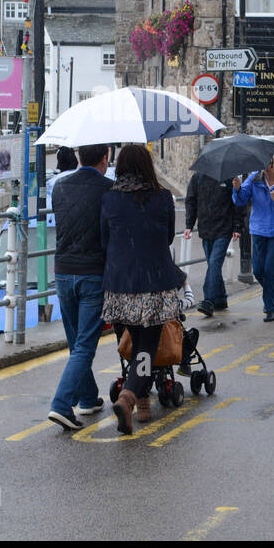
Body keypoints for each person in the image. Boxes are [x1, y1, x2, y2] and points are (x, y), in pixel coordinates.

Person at [100, 144, 188, 435]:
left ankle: (142, 401)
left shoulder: (110, 200)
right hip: (154, 283)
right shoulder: (163, 198)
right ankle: (129, 398)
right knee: (145, 351)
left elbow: (104, 240)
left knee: (133, 346)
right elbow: (168, 238)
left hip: (120, 284)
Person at [47, 143, 113, 431]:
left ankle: (87, 397)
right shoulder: (109, 189)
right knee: (85, 344)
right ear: (104, 158)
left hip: (62, 271)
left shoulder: (59, 187)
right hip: (92, 274)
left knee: (77, 343)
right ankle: (62, 404)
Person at [232, 150, 274, 322]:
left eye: (270, 164)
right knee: (258, 270)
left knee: (270, 271)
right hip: (258, 230)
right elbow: (240, 200)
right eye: (264, 164)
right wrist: (237, 188)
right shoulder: (255, 179)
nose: (267, 168)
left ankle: (271, 308)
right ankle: (271, 294)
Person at [183, 169, 239, 317]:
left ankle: (208, 300)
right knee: (213, 266)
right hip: (206, 229)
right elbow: (191, 200)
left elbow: (237, 204)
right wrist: (189, 224)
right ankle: (221, 299)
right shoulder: (198, 178)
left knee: (214, 263)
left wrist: (237, 227)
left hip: (224, 229)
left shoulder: (229, 178)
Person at [44, 146, 79, 212]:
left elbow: (74, 162)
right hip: (60, 173)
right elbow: (61, 163)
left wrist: (67, 173)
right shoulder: (61, 149)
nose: (54, 144)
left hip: (65, 175)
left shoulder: (66, 148)